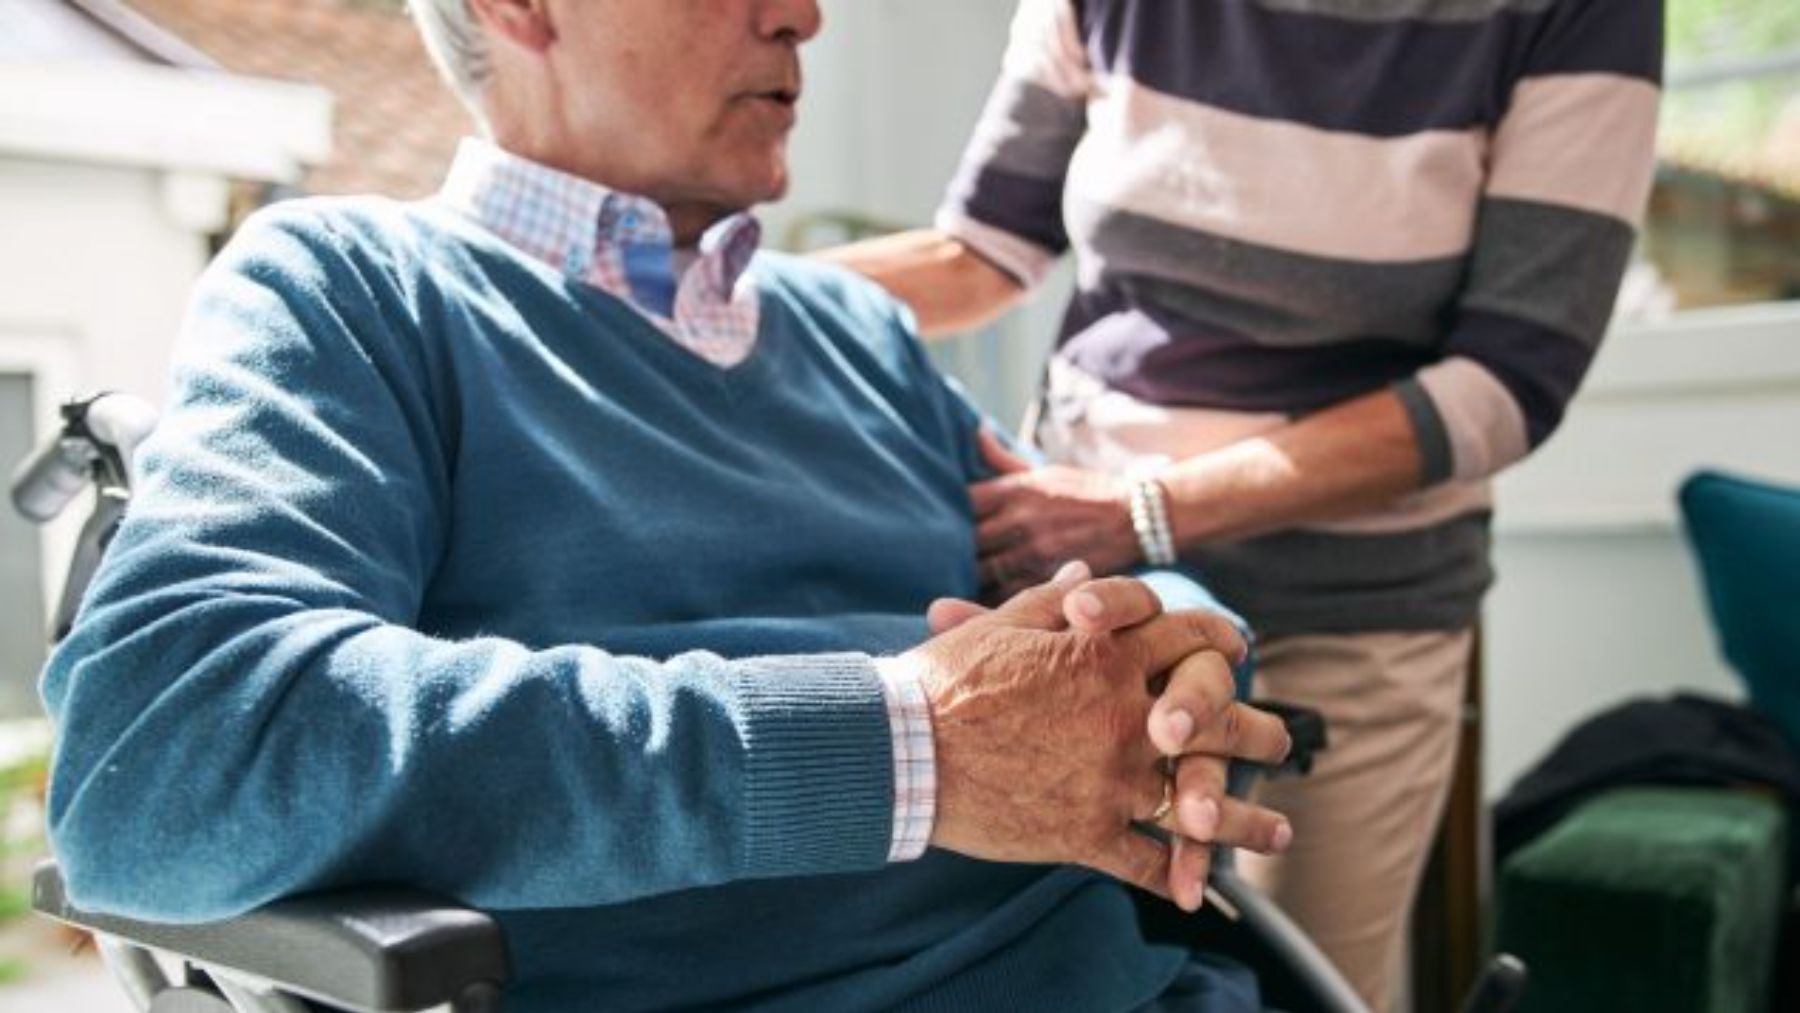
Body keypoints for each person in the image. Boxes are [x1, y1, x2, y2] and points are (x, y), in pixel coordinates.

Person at [38, 1, 1300, 1011]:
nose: (805, 17)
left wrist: (1178, 638)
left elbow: (1068, 593)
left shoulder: (859, 329)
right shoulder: (353, 291)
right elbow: (166, 757)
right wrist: (899, 746)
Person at [825, 1, 1663, 1008]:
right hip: (1098, 599)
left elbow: (1506, 382)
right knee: (1069, 962)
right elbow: (981, 252)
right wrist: (712, 279)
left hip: (1348, 608)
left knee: (1304, 981)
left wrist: (1146, 507)